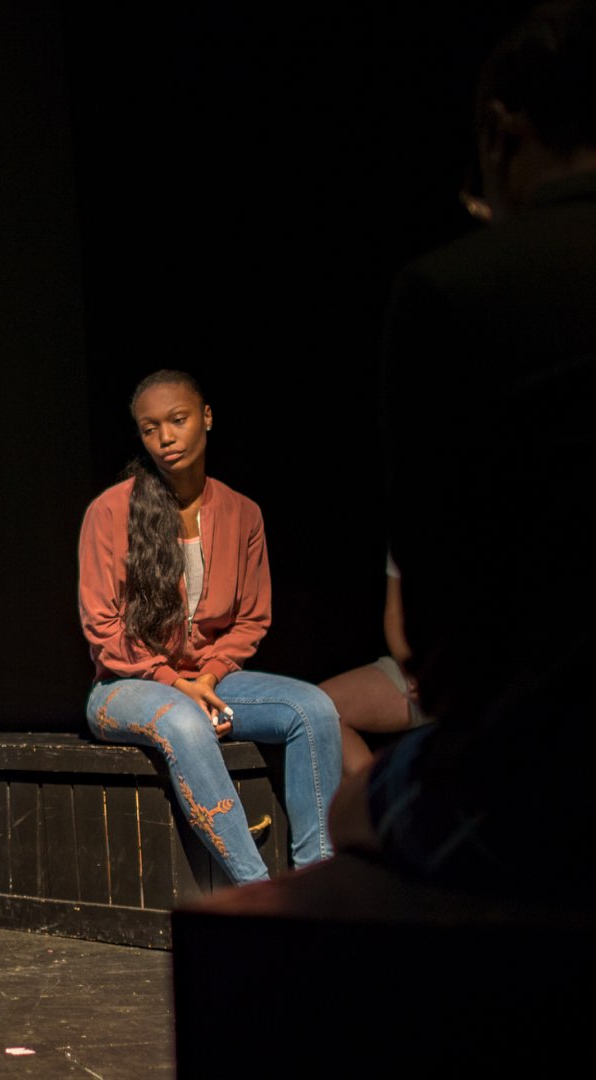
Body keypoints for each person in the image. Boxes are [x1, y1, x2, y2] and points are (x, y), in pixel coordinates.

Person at [331, 1, 596, 893]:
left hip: (549, 766)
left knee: (351, 812)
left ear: (501, 131)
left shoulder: (453, 291)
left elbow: (437, 629)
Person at [77, 370, 339, 886]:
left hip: (210, 681)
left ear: (207, 418)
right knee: (184, 721)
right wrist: (178, 685)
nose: (166, 438)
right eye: (151, 428)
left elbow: (251, 619)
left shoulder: (242, 513)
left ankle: (318, 884)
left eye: (178, 420)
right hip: (126, 686)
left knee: (314, 710)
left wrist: (210, 677)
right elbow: (103, 628)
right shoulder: (110, 512)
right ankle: (255, 888)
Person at [317, 554, 431, 784]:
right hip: (416, 667)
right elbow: (394, 615)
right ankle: (375, 797)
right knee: (319, 708)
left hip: (464, 670)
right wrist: (411, 668)